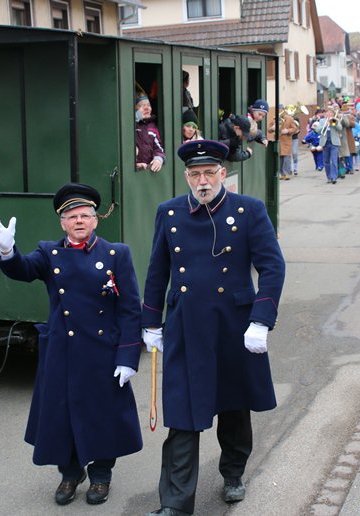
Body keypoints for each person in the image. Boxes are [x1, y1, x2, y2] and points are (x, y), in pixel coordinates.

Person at [141, 140, 286, 516]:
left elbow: (272, 266)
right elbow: (157, 273)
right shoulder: (169, 213)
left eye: (209, 173)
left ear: (223, 174)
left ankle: (233, 472)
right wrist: (150, 322)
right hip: (186, 327)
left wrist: (260, 319)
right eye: (195, 174)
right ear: (186, 176)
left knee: (234, 407)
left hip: (234, 326)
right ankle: (174, 503)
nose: (202, 181)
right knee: (183, 415)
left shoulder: (249, 210)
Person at [0, 183, 143, 507]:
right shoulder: (49, 253)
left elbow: (130, 309)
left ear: (95, 220)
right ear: (63, 223)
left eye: (85, 215)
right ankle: (71, 473)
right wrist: (7, 251)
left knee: (103, 414)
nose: (79, 221)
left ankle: (101, 476)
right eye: (72, 216)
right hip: (62, 350)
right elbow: (24, 269)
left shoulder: (117, 254)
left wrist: (128, 356)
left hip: (102, 351)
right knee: (61, 415)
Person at [135, 94, 166, 172]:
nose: (146, 108)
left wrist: (158, 159)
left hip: (148, 171)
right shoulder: (132, 126)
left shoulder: (153, 128)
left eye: (148, 105)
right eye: (141, 106)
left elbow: (158, 149)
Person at [267, 105, 298, 180]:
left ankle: (286, 173)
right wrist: (272, 128)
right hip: (279, 140)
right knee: (280, 158)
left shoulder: (289, 118)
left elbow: (295, 128)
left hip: (286, 140)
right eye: (278, 109)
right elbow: (269, 129)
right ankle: (281, 173)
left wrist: (288, 131)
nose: (279, 111)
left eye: (281, 109)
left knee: (286, 158)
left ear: (283, 110)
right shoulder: (274, 119)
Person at [319, 108, 346, 184]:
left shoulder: (335, 120)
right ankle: (329, 177)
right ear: (325, 114)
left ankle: (334, 177)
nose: (329, 114)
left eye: (331, 113)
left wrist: (333, 122)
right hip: (325, 142)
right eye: (328, 113)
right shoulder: (322, 121)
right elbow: (318, 130)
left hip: (334, 142)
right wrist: (326, 124)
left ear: (333, 114)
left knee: (334, 160)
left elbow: (340, 128)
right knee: (326, 161)